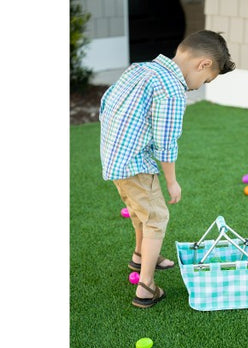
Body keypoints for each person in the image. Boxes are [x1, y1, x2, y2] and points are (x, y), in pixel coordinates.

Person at [99, 30, 235, 308]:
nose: (198, 86)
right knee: (157, 219)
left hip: (113, 158)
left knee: (140, 211)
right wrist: (172, 181)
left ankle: (140, 256)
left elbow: (106, 104)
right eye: (205, 81)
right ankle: (146, 287)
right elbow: (166, 142)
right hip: (135, 164)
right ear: (203, 63)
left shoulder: (140, 68)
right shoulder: (172, 89)